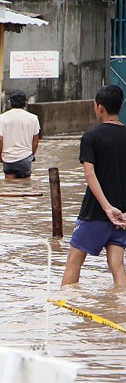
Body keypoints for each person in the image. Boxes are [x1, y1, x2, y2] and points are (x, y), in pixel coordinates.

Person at [61, 85, 126, 287]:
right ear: (120, 106)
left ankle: (64, 309)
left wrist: (107, 208)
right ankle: (120, 308)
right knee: (117, 265)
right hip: (122, 215)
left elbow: (90, 174)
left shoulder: (91, 136)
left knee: (74, 262)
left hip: (95, 213)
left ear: (99, 108)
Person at [0, 90, 40, 179]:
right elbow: (36, 141)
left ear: (10, 103)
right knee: (25, 187)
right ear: (26, 103)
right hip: (25, 158)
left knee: (9, 188)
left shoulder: (2, 118)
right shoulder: (33, 118)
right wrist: (30, 155)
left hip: (8, 158)